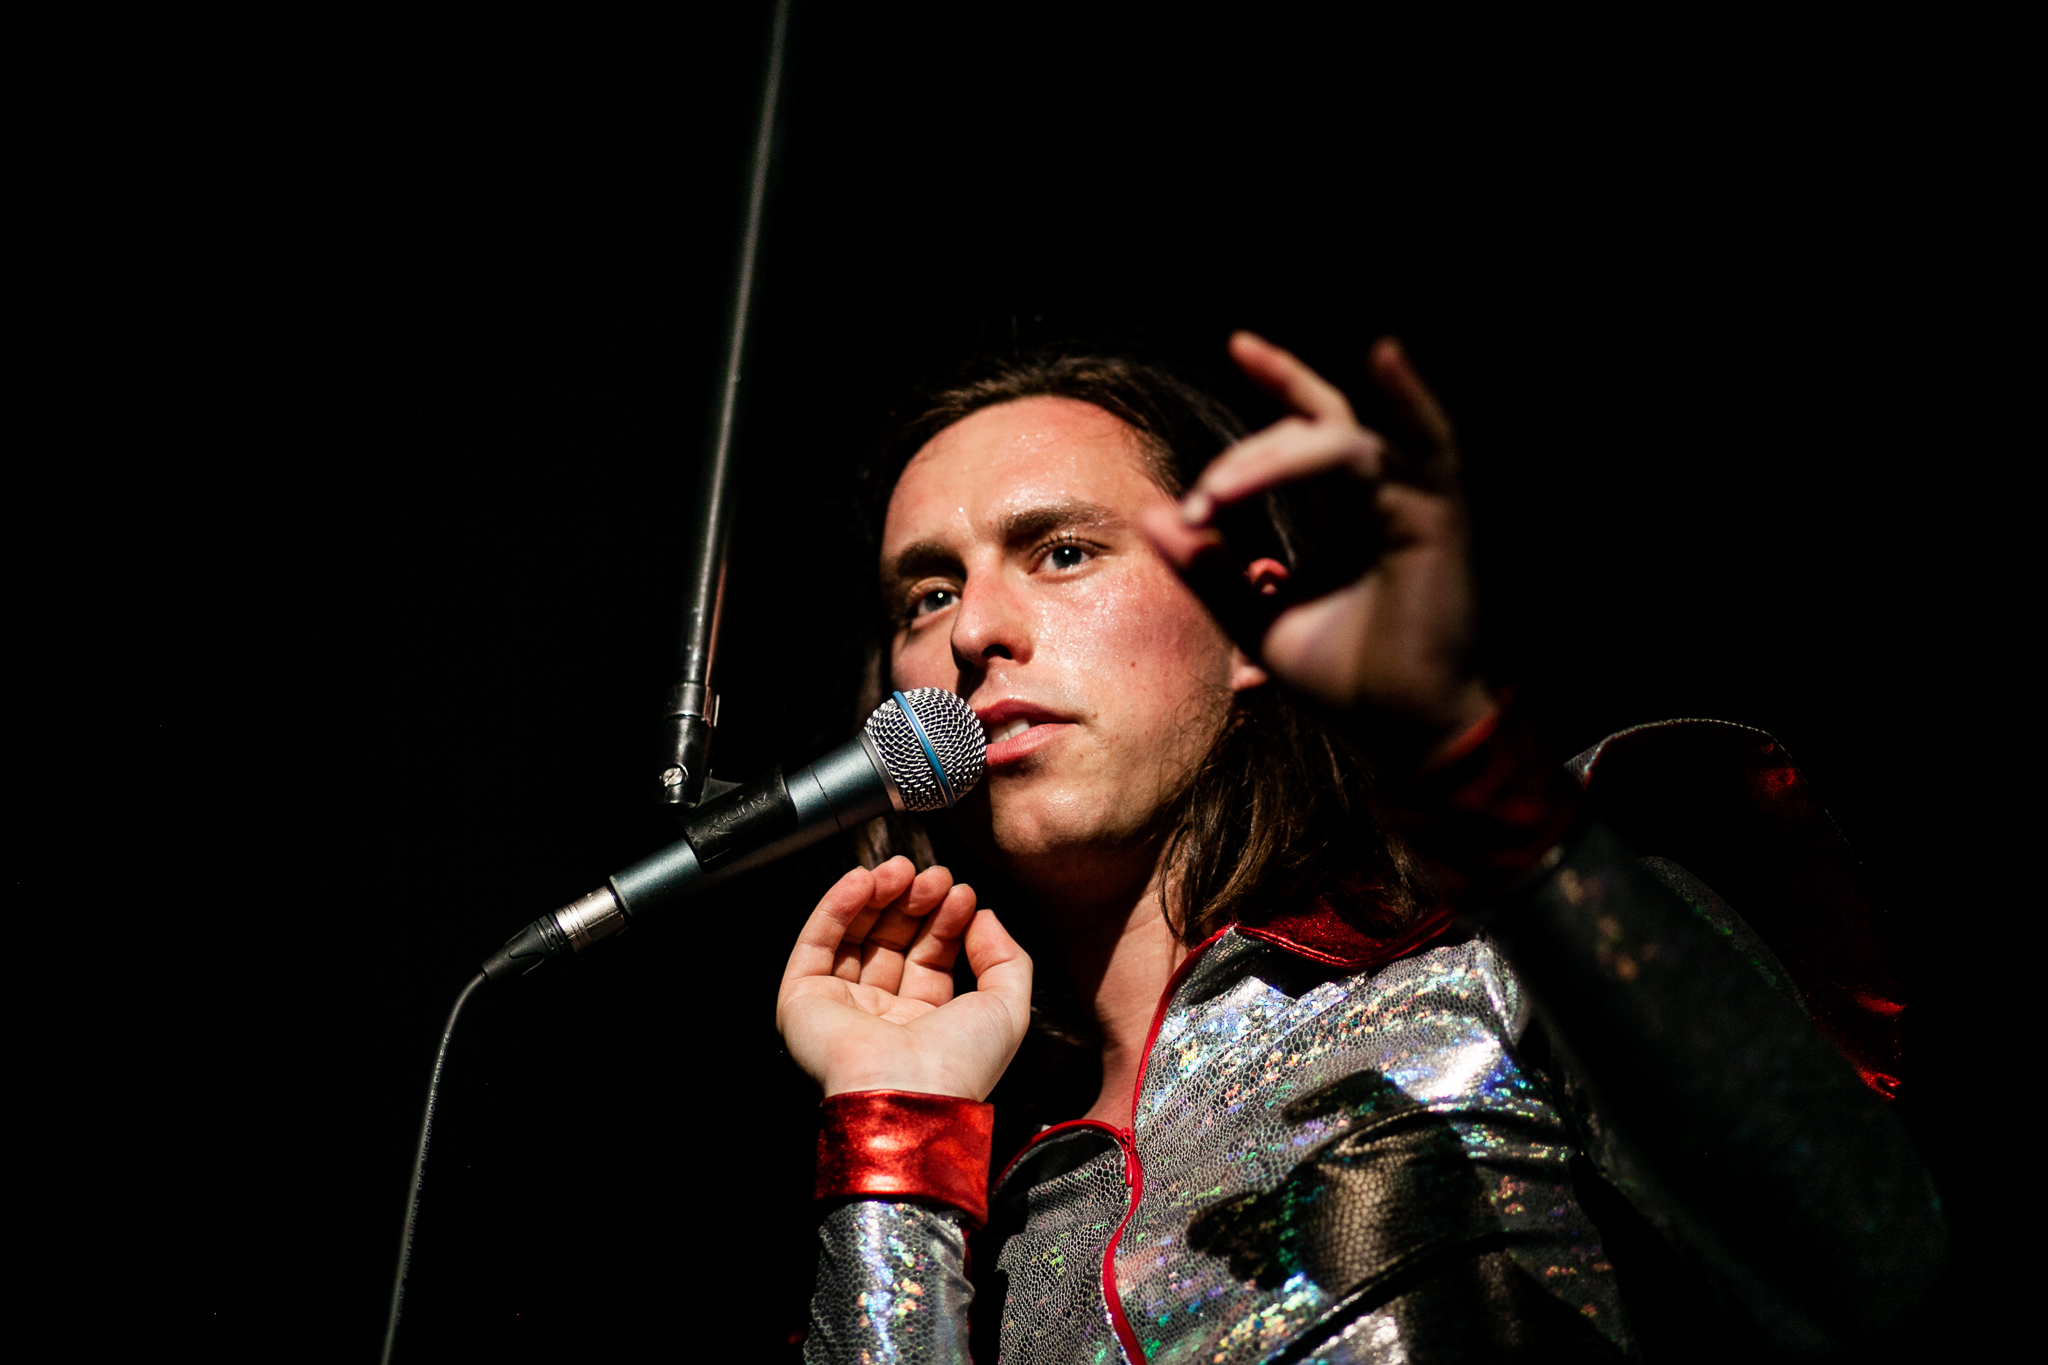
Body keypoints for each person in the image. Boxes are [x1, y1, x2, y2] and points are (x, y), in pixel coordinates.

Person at [775, 334, 1943, 1363]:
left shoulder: (1502, 965)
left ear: (1246, 622)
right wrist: (895, 1136)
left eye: (1063, 551)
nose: (974, 630)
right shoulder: (1000, 1207)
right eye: (927, 595)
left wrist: (1477, 774)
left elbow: (1867, 1272)